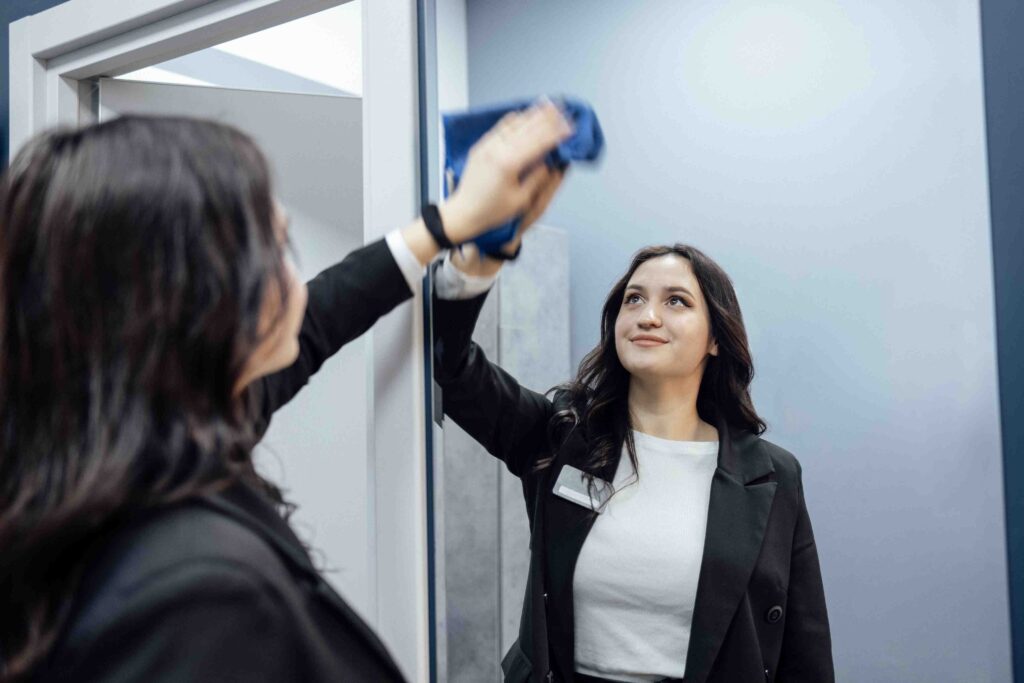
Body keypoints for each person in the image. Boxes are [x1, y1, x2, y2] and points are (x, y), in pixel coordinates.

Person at [0, 104, 572, 682]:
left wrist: (445, 227)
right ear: (195, 296)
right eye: (275, 250)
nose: (295, 280)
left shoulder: (130, 444)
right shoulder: (195, 596)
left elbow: (320, 318)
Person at [432, 227, 834, 681]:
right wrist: (474, 263)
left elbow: (806, 653)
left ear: (715, 339)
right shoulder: (560, 437)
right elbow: (453, 369)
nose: (648, 316)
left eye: (676, 301)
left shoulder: (772, 475)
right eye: (634, 299)